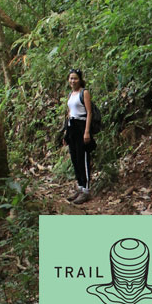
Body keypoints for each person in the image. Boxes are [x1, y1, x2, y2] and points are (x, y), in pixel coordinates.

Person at [63, 69, 96, 204]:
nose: (73, 81)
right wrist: (66, 133)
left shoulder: (84, 93)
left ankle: (86, 191)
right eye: (71, 78)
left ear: (80, 79)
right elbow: (69, 112)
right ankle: (80, 187)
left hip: (82, 126)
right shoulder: (71, 94)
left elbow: (89, 112)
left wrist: (87, 131)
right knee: (75, 158)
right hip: (72, 128)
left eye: (75, 78)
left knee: (83, 158)